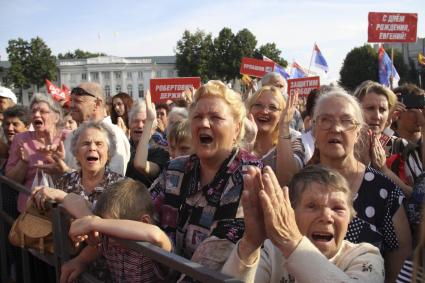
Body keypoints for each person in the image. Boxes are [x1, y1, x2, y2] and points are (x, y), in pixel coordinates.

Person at [149, 80, 262, 272]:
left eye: (215, 117)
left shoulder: (248, 175)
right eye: (197, 116)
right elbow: (141, 208)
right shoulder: (176, 168)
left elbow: (215, 258)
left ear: (236, 128)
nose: (203, 123)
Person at [308, 89, 411, 283]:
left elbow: (399, 260)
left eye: (346, 121)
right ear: (314, 129)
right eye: (326, 120)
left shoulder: (385, 191)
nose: (336, 128)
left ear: (358, 132)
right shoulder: (297, 187)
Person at [222, 165, 384, 283]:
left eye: (337, 208)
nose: (326, 217)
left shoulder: (366, 256)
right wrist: (250, 245)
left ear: (350, 218)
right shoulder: (270, 251)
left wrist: (292, 243)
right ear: (291, 213)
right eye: (312, 206)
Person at [60, 179, 171, 283]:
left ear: (144, 222)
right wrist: (81, 260)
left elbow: (155, 234)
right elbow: (71, 198)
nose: (107, 236)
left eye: (110, 227)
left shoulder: (153, 251)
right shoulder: (110, 239)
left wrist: (94, 223)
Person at [31, 121, 124, 217]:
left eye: (99, 144)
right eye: (86, 144)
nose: (92, 148)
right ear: (76, 153)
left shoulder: (120, 186)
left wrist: (64, 197)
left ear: (109, 153)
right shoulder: (65, 181)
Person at [5, 93, 68, 212]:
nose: (36, 115)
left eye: (43, 111)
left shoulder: (68, 137)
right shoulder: (21, 139)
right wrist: (23, 162)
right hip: (30, 208)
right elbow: (11, 181)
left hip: (62, 207)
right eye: (33, 111)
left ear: (56, 117)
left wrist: (59, 162)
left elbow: (79, 175)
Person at [353, 81, 412, 197]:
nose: (377, 116)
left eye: (383, 110)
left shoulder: (401, 147)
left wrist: (384, 170)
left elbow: (416, 197)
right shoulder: (342, 147)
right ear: (355, 110)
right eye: (370, 108)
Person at [63, 82, 130, 175]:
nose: (72, 105)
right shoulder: (71, 136)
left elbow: (113, 182)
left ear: (97, 104)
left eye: (78, 101)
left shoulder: (115, 135)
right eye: (71, 101)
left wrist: (66, 171)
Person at [245, 85, 303, 185]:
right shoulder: (237, 137)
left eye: (273, 107)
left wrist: (284, 126)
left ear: (282, 113)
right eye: (258, 105)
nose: (264, 111)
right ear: (249, 109)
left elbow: (288, 181)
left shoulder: (294, 139)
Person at [126, 96, 169, 187]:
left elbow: (142, 166)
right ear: (129, 124)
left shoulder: (160, 151)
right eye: (135, 121)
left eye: (144, 121)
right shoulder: (123, 148)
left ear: (152, 127)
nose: (140, 125)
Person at [390, 83, 425, 186]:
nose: (420, 112)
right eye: (414, 107)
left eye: (422, 106)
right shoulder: (388, 144)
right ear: (397, 111)